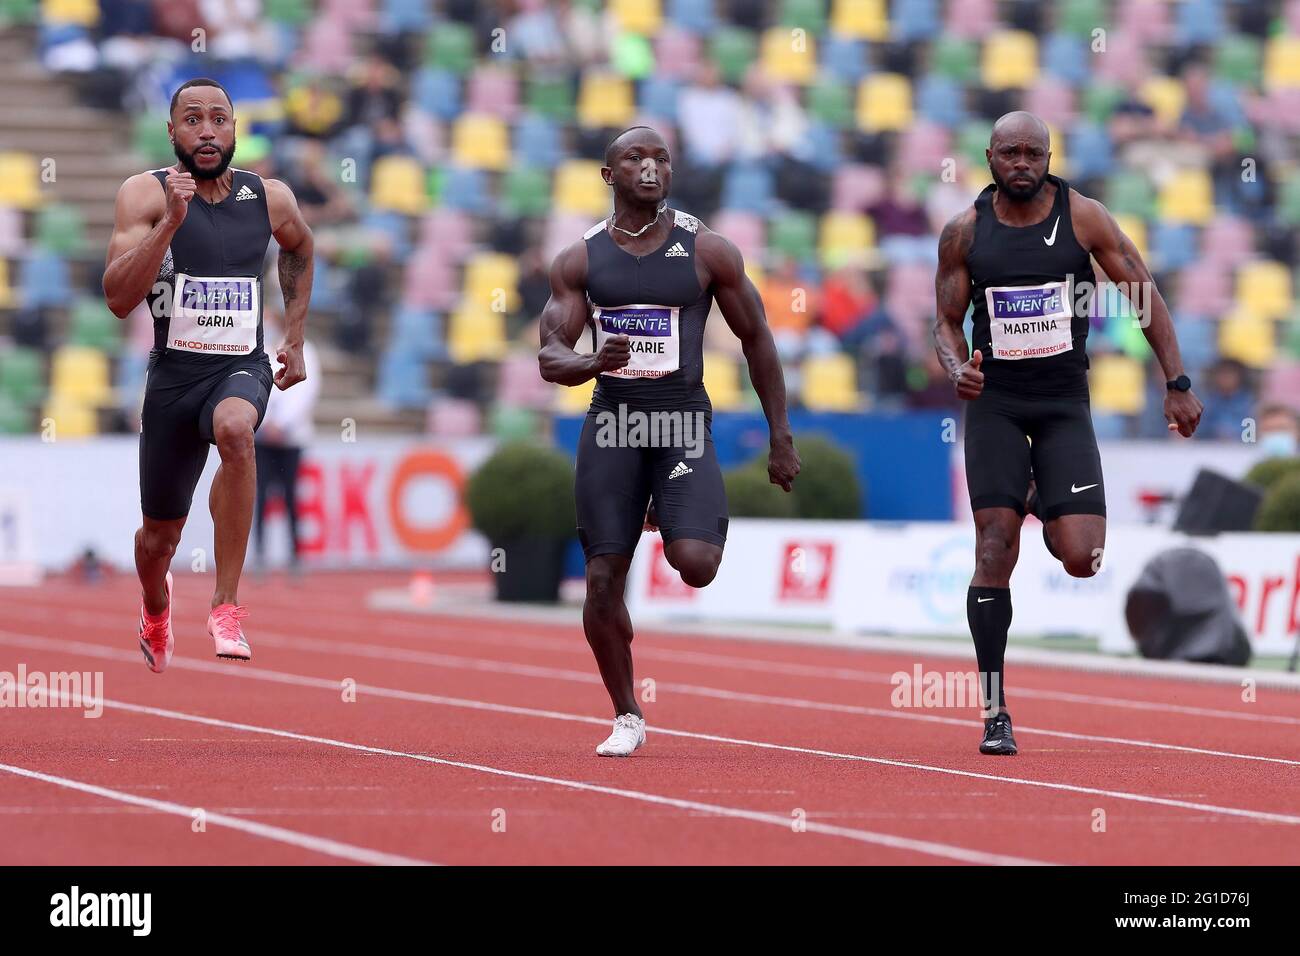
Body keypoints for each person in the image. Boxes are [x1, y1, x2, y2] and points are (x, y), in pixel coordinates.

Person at [933, 112, 1203, 755]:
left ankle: (1037, 496)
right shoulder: (965, 232)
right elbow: (944, 321)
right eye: (1010, 153)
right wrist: (955, 368)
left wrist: (1178, 381)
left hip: (1061, 405)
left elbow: (1143, 292)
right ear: (990, 157)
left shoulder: (1083, 218)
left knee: (1082, 558)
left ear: (1049, 157)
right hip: (996, 404)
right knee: (994, 546)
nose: (1021, 163)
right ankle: (995, 710)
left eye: (1034, 153)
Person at [538, 126, 800, 756]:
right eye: (635, 158)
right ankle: (628, 713)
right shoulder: (581, 260)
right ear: (609, 175)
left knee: (696, 565)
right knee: (602, 581)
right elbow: (550, 357)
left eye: (661, 159)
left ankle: (668, 504)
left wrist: (780, 436)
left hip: (681, 420)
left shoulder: (707, 251)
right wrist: (594, 364)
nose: (651, 168)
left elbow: (757, 338)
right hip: (614, 424)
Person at [103, 78, 314, 673]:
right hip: (173, 378)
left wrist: (294, 338)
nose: (206, 130)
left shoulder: (267, 197)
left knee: (236, 431)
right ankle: (155, 604)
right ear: (171, 132)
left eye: (218, 119)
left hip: (239, 367)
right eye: (192, 119)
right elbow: (118, 299)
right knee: (157, 540)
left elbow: (300, 247)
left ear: (234, 130)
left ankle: (226, 604)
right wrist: (171, 222)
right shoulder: (143, 196)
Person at [254, 312, 321, 575]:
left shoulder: (307, 352)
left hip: (292, 438)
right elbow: (256, 386)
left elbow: (306, 392)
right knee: (260, 497)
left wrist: (282, 424)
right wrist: (267, 421)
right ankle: (260, 554)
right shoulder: (260, 350)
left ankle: (295, 555)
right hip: (264, 437)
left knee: (291, 497)